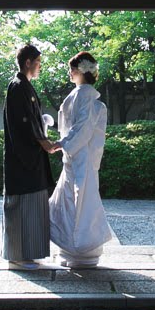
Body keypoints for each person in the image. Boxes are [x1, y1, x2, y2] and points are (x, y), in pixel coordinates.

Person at [48, 50, 116, 269]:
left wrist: (62, 143)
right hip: (79, 157)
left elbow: (83, 128)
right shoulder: (85, 95)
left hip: (80, 157)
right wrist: (65, 144)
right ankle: (73, 251)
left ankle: (80, 252)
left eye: (72, 69)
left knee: (76, 203)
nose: (70, 73)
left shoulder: (83, 95)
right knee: (75, 202)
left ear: (78, 71)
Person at [2, 42, 58, 269]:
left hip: (30, 157)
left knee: (31, 205)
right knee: (20, 205)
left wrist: (43, 141)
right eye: (38, 63)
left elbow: (32, 121)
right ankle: (16, 256)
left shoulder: (24, 86)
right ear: (28, 63)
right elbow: (24, 123)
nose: (40, 67)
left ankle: (26, 253)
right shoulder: (18, 87)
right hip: (21, 158)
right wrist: (44, 142)